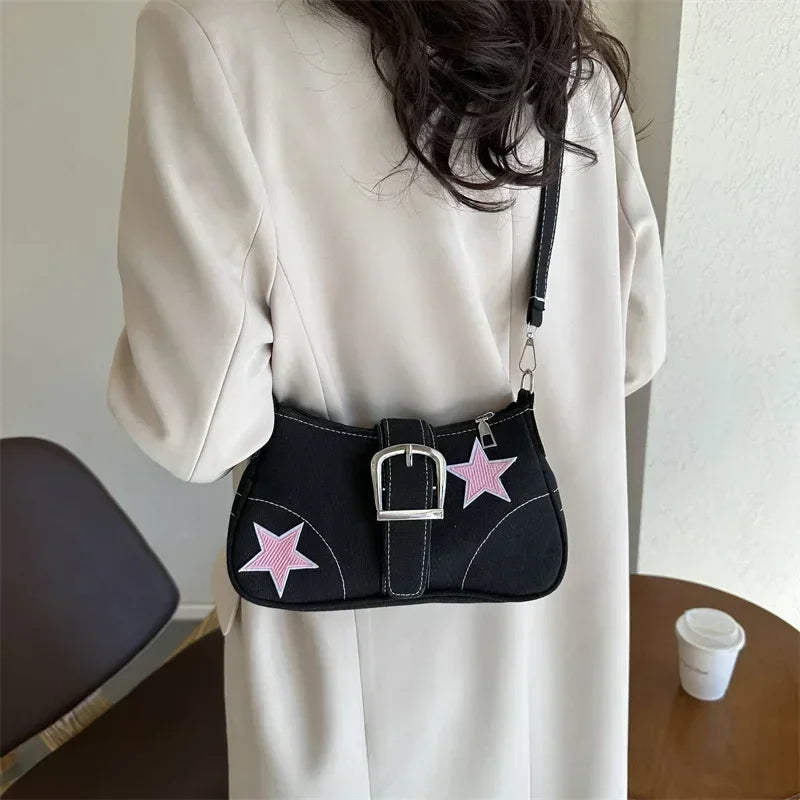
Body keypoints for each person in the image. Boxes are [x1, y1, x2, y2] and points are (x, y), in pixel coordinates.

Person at [108, 0, 665, 796]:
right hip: (556, 613)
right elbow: (635, 346)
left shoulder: (211, 35)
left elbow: (197, 431)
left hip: (349, 648)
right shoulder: (557, 37)